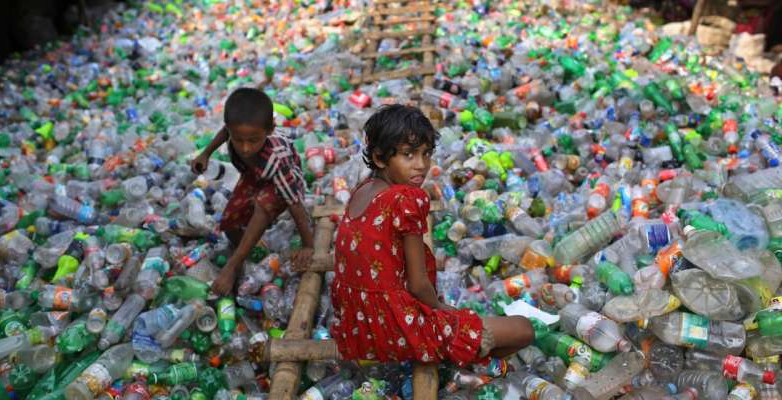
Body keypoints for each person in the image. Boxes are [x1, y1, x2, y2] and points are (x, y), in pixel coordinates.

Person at [330, 104, 537, 368]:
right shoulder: (406, 199)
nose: (421, 165)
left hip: (358, 325)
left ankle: (458, 351)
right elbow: (418, 286)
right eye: (408, 155)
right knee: (523, 328)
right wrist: (447, 312)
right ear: (380, 158)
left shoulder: (362, 190)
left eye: (426, 154)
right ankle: (459, 357)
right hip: (395, 328)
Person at [191, 88, 314, 295]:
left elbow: (294, 202)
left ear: (270, 129)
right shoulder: (239, 131)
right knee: (229, 220)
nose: (246, 148)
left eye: (253, 140)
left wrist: (308, 245)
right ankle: (252, 251)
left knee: (263, 205)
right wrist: (206, 153)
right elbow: (224, 132)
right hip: (255, 176)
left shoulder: (276, 158)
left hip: (285, 181)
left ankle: (234, 264)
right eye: (238, 140)